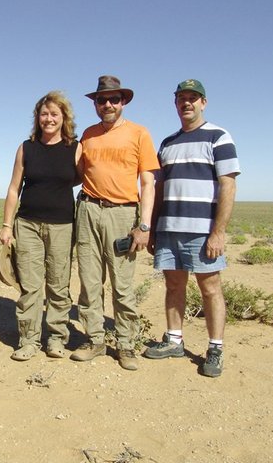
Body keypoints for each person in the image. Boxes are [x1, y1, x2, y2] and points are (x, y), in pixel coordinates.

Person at [144, 79, 240, 378]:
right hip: (169, 229)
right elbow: (158, 189)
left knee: (210, 289)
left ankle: (215, 348)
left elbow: (228, 184)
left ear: (203, 102)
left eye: (193, 98)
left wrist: (218, 232)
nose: (187, 103)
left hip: (202, 231)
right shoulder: (168, 143)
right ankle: (174, 339)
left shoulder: (218, 137)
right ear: (175, 103)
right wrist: (154, 227)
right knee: (173, 285)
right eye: (181, 98)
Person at [70, 75, 159, 371]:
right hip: (88, 210)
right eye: (101, 100)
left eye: (113, 99)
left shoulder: (139, 134)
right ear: (95, 104)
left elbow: (148, 182)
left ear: (123, 102)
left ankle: (125, 344)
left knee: (122, 285)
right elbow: (78, 170)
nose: (107, 104)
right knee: (90, 281)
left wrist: (144, 226)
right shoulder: (88, 134)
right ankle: (94, 339)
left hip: (123, 213)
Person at [0, 91, 82, 361]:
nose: (48, 119)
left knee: (58, 285)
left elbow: (80, 179)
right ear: (38, 117)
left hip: (62, 226)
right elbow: (14, 188)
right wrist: (6, 225)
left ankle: (56, 339)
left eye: (54, 114)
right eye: (44, 114)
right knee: (30, 286)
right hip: (28, 224)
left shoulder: (75, 147)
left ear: (63, 118)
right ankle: (29, 340)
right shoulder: (27, 147)